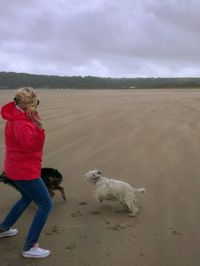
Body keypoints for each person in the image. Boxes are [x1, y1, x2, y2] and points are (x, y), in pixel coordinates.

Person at [0, 87, 53, 258]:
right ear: (28, 104)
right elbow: (32, 146)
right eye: (35, 101)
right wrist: (39, 127)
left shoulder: (16, 116)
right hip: (24, 170)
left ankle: (3, 227)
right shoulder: (21, 122)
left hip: (15, 166)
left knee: (26, 197)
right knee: (46, 204)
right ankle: (30, 247)